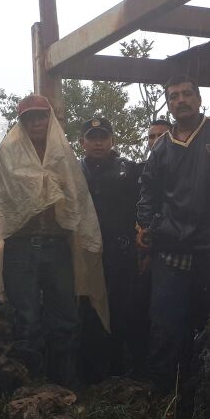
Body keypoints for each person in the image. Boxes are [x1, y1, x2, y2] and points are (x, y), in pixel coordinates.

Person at [0, 94, 107, 386]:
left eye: (41, 116)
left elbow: (77, 199)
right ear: (22, 121)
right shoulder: (7, 153)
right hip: (20, 246)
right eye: (29, 117)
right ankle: (29, 390)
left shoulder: (63, 154)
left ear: (50, 118)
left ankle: (65, 388)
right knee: (26, 320)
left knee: (66, 319)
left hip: (57, 246)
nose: (36, 122)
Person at [136, 76, 210, 390]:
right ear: (168, 103)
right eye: (173, 96)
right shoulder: (162, 147)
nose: (180, 100)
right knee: (166, 327)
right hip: (173, 252)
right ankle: (166, 399)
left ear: (198, 98)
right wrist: (150, 226)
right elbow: (147, 194)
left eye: (186, 94)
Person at [79, 116, 148, 377]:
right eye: (92, 138)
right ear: (82, 141)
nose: (98, 143)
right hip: (86, 255)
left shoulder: (129, 170)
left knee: (121, 311)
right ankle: (89, 374)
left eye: (103, 137)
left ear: (112, 140)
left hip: (120, 254)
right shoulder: (74, 171)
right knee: (87, 311)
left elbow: (147, 202)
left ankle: (120, 372)